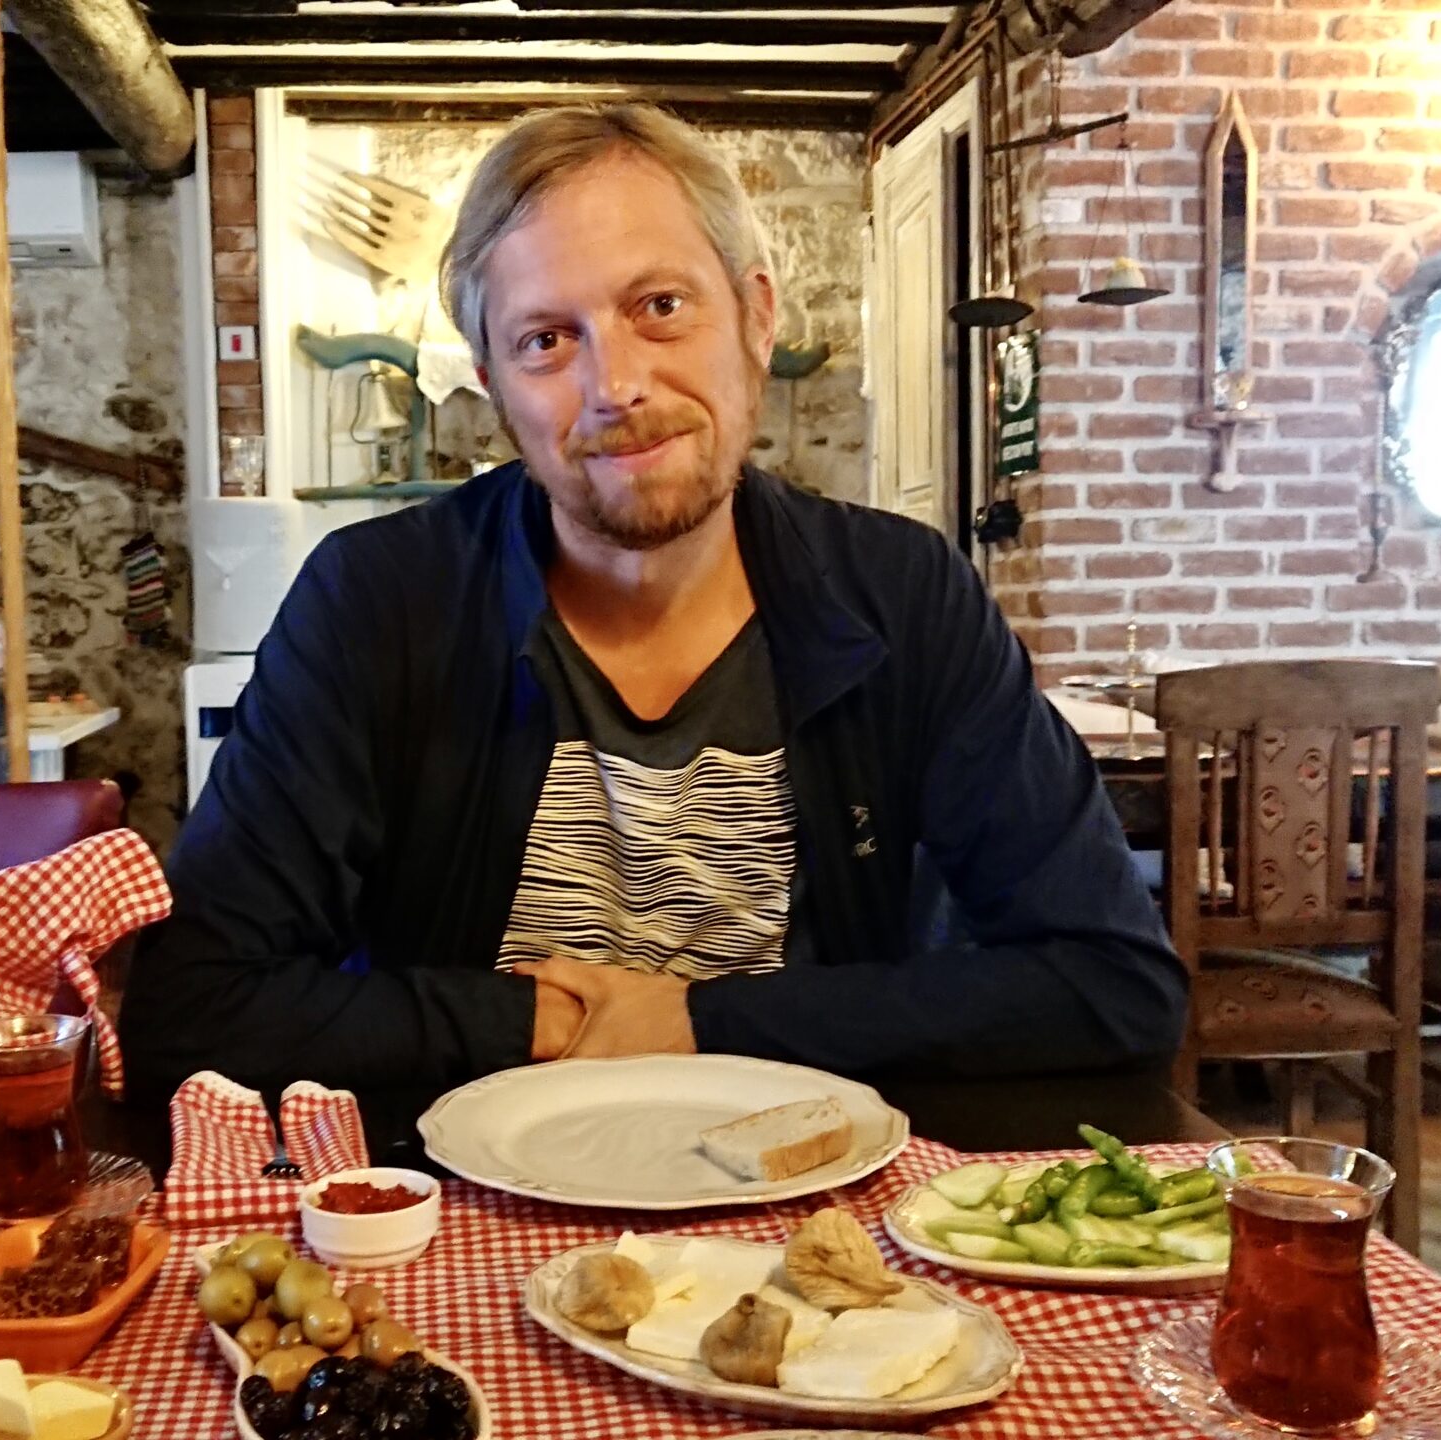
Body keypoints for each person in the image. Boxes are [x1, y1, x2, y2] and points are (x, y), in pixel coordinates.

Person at [124, 104, 1183, 1097]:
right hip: (465, 1231)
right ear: (492, 387)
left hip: (812, 1212)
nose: (614, 385)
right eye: (546, 338)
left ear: (755, 318)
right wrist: (532, 1024)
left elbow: (1115, 984)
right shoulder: (376, 602)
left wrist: (698, 1023)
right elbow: (193, 1007)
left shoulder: (903, 596)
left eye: (659, 307)